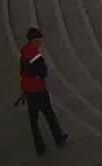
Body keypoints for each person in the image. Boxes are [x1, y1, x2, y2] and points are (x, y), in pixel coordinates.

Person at [17, 25, 68, 155]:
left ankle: (40, 148)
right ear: (34, 40)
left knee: (34, 121)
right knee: (49, 114)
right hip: (38, 89)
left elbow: (23, 71)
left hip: (28, 89)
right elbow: (42, 72)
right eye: (39, 39)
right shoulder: (35, 54)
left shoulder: (24, 51)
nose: (41, 42)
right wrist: (40, 75)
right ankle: (59, 138)